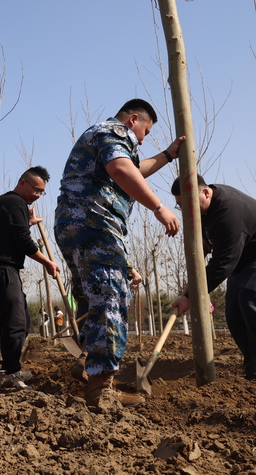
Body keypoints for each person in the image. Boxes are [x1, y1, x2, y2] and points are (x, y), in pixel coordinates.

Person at [54, 98, 182, 407]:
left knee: (99, 295)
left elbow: (134, 168)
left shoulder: (103, 136)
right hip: (94, 223)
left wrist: (167, 155)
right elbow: (122, 168)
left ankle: (87, 358)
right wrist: (159, 207)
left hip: (77, 225)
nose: (142, 139)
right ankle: (101, 389)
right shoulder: (113, 130)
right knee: (112, 297)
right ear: (133, 120)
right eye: (145, 132)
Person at [0, 166, 60, 391]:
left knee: (22, 320)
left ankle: (8, 370)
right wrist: (48, 262)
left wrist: (28, 222)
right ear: (22, 182)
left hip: (4, 270)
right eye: (35, 189)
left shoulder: (13, 205)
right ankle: (11, 375)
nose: (37, 195)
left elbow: (12, 232)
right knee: (15, 321)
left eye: (41, 192)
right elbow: (23, 242)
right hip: (1, 269)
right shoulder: (14, 202)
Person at [170, 175, 256, 380]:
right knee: (233, 313)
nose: (186, 211)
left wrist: (190, 296)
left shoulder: (229, 212)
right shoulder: (205, 207)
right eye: (180, 206)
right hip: (242, 262)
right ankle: (253, 367)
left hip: (249, 259)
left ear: (206, 192)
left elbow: (221, 264)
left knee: (250, 299)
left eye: (188, 203)